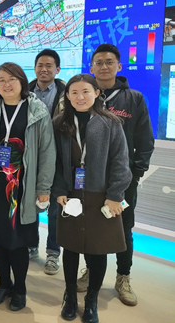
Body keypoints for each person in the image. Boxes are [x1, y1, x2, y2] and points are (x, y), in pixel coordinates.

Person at [0, 62, 55, 312]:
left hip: (23, 188)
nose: (6, 84)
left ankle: (20, 288)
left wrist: (44, 188)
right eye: (1, 80)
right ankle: (3, 284)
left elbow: (47, 151)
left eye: (11, 79)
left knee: (18, 241)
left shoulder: (37, 110)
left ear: (22, 81)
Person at [78, 43, 155, 307]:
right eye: (98, 62)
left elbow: (145, 140)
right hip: (89, 178)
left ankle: (123, 277)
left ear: (119, 66)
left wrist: (135, 174)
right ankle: (91, 270)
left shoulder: (134, 98)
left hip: (123, 180)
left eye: (109, 62)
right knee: (89, 225)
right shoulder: (84, 96)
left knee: (123, 228)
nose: (104, 66)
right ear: (91, 68)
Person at [53, 74, 131, 323]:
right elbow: (54, 162)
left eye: (85, 91)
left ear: (96, 93)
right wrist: (59, 190)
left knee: (98, 251)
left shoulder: (111, 122)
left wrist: (115, 195)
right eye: (74, 92)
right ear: (67, 96)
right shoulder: (59, 123)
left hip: (101, 197)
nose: (80, 97)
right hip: (70, 196)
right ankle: (70, 297)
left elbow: (121, 161)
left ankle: (91, 300)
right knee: (70, 248)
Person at [27, 49, 65, 274]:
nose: (44, 69)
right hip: (30, 157)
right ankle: (31, 245)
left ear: (57, 69)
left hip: (58, 159)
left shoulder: (66, 93)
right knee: (30, 204)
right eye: (40, 65)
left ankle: (53, 253)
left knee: (55, 210)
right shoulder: (25, 92)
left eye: (49, 65)